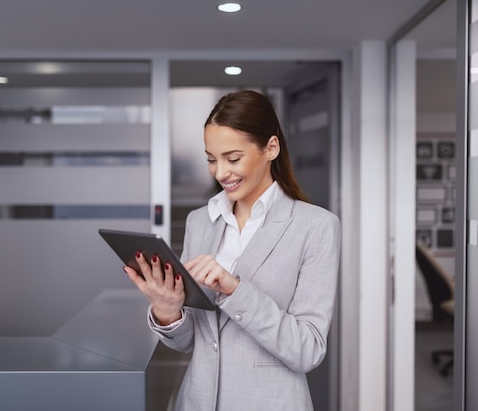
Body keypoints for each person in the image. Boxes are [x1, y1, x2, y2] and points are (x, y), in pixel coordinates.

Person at [124, 90, 341, 411]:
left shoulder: (316, 226)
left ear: (271, 148)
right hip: (196, 402)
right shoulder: (201, 220)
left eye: (233, 158)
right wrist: (167, 311)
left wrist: (234, 289)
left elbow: (308, 350)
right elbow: (188, 343)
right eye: (211, 159)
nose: (220, 172)